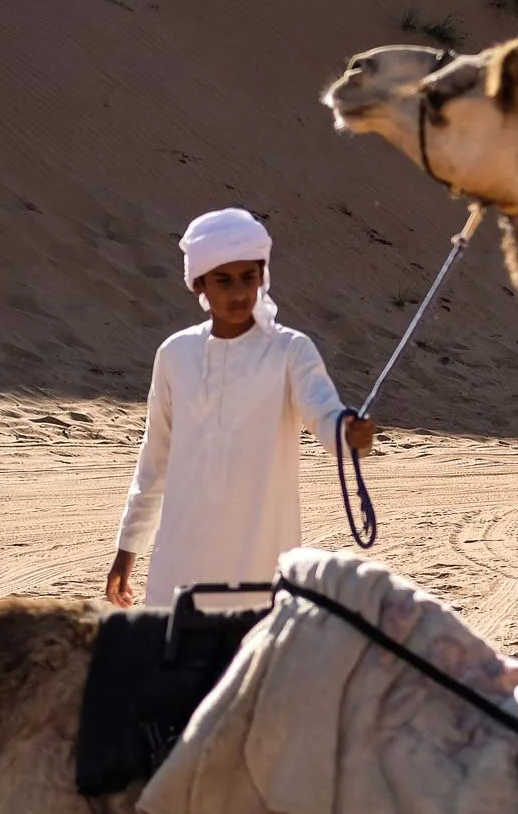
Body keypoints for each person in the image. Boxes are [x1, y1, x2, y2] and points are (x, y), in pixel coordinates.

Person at [106, 208, 375, 610]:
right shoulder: (175, 354)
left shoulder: (290, 350)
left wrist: (349, 434)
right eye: (223, 280)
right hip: (179, 567)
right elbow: (155, 459)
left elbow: (325, 415)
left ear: (262, 276)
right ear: (200, 283)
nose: (238, 292)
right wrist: (127, 549)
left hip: (261, 564)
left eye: (248, 277)